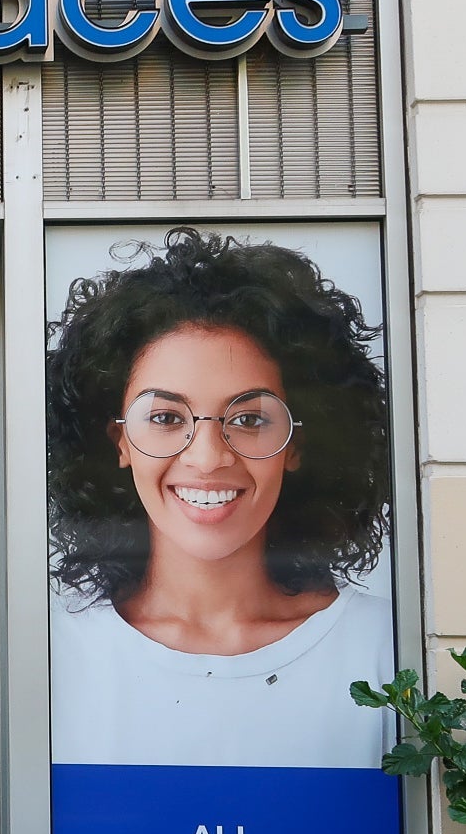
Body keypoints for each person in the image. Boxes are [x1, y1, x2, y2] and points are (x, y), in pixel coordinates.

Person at [45, 228, 392, 769]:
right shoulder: (47, 652)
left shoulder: (386, 649)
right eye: (165, 417)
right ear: (119, 442)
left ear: (297, 445)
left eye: (249, 419)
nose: (207, 458)